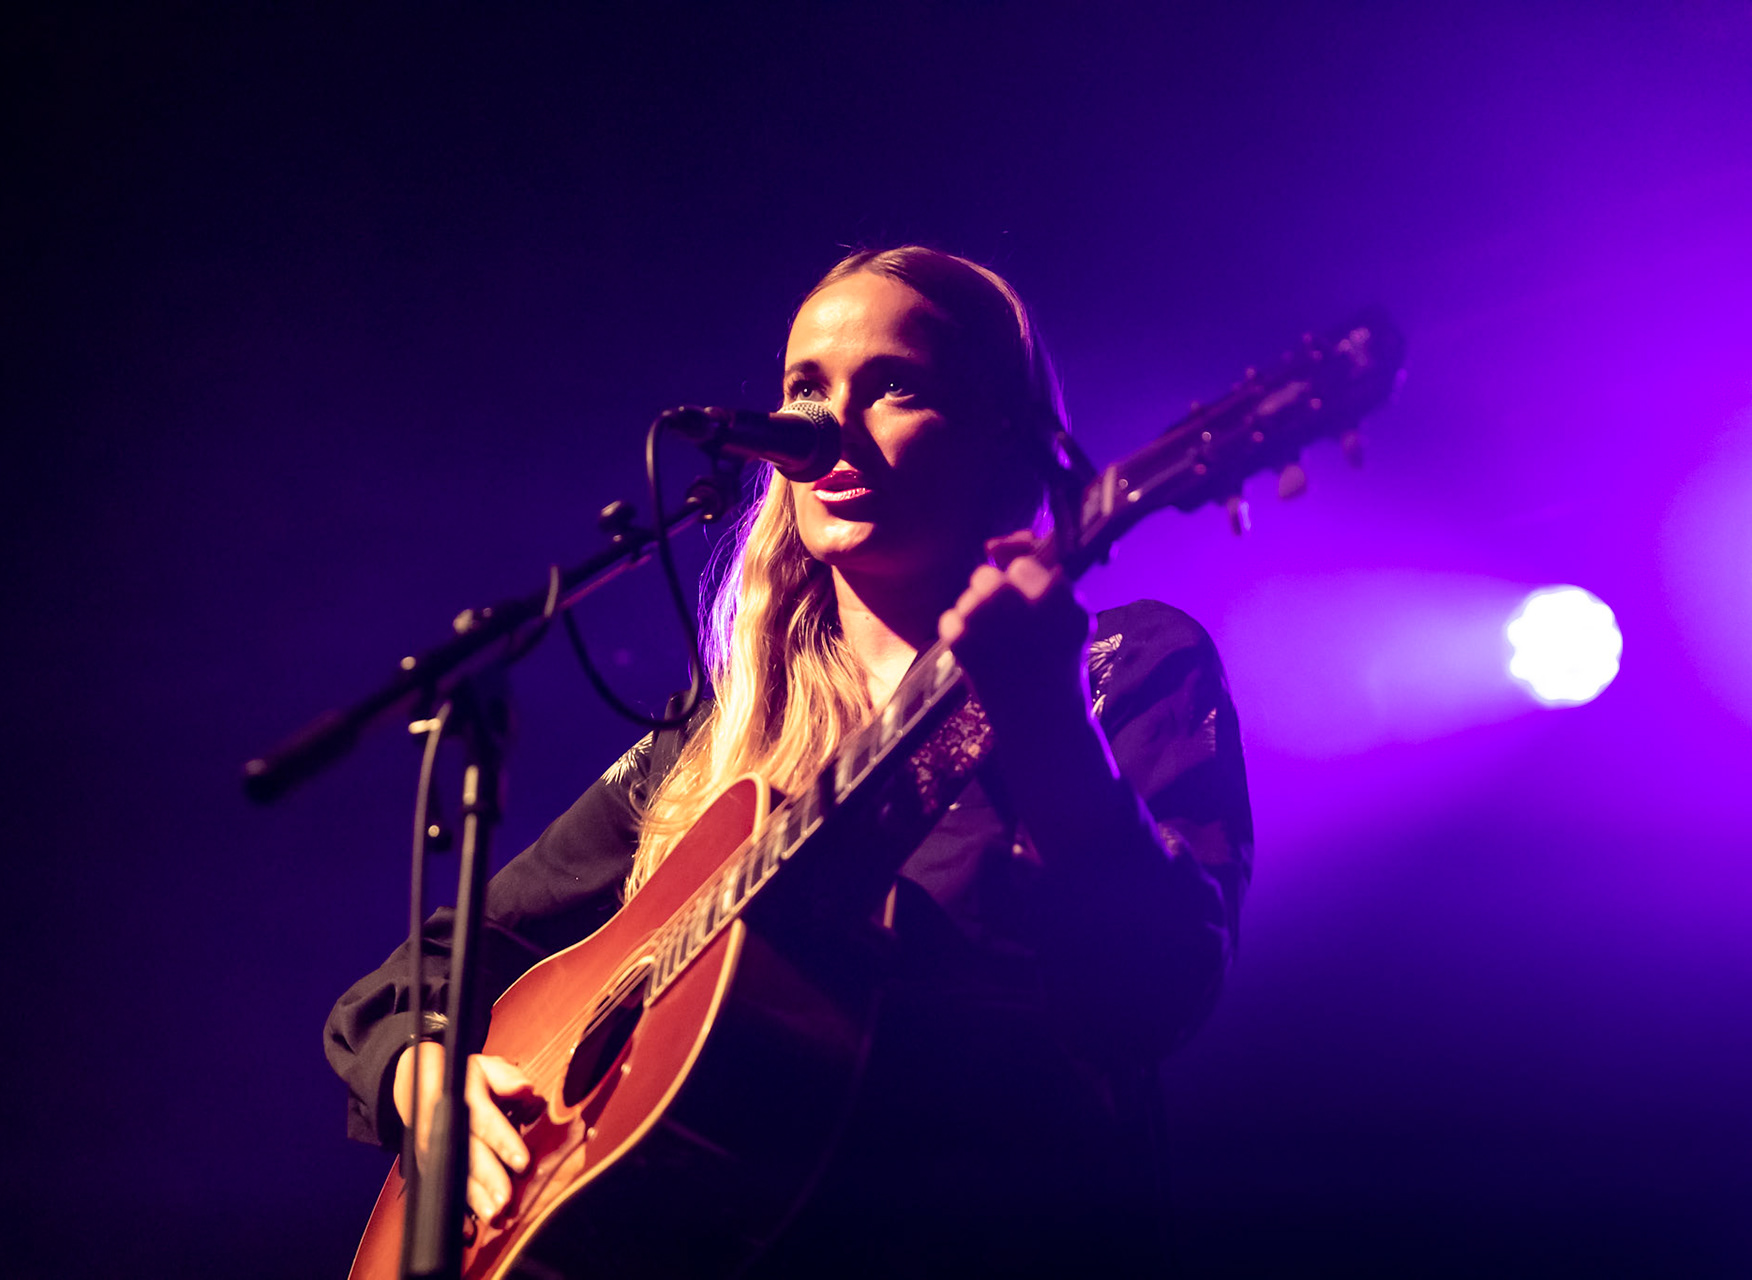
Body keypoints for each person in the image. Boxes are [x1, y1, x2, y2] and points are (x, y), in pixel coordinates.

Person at [326, 246, 1252, 1276]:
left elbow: (1160, 989)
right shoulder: (722, 729)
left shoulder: (1126, 664)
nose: (829, 426)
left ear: (1005, 432)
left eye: (894, 384)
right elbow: (431, 965)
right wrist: (424, 1074)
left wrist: (1046, 718)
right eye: (805, 388)